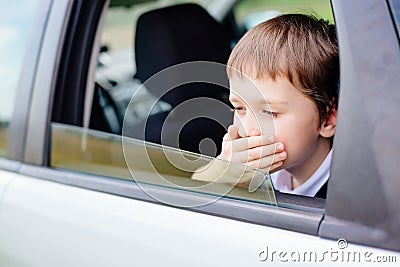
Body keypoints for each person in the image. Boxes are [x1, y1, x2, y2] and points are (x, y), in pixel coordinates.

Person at [192, 14, 339, 198]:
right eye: (239, 108)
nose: (248, 130)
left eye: (270, 112)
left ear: (328, 118)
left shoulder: (348, 197)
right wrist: (219, 173)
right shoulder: (254, 176)